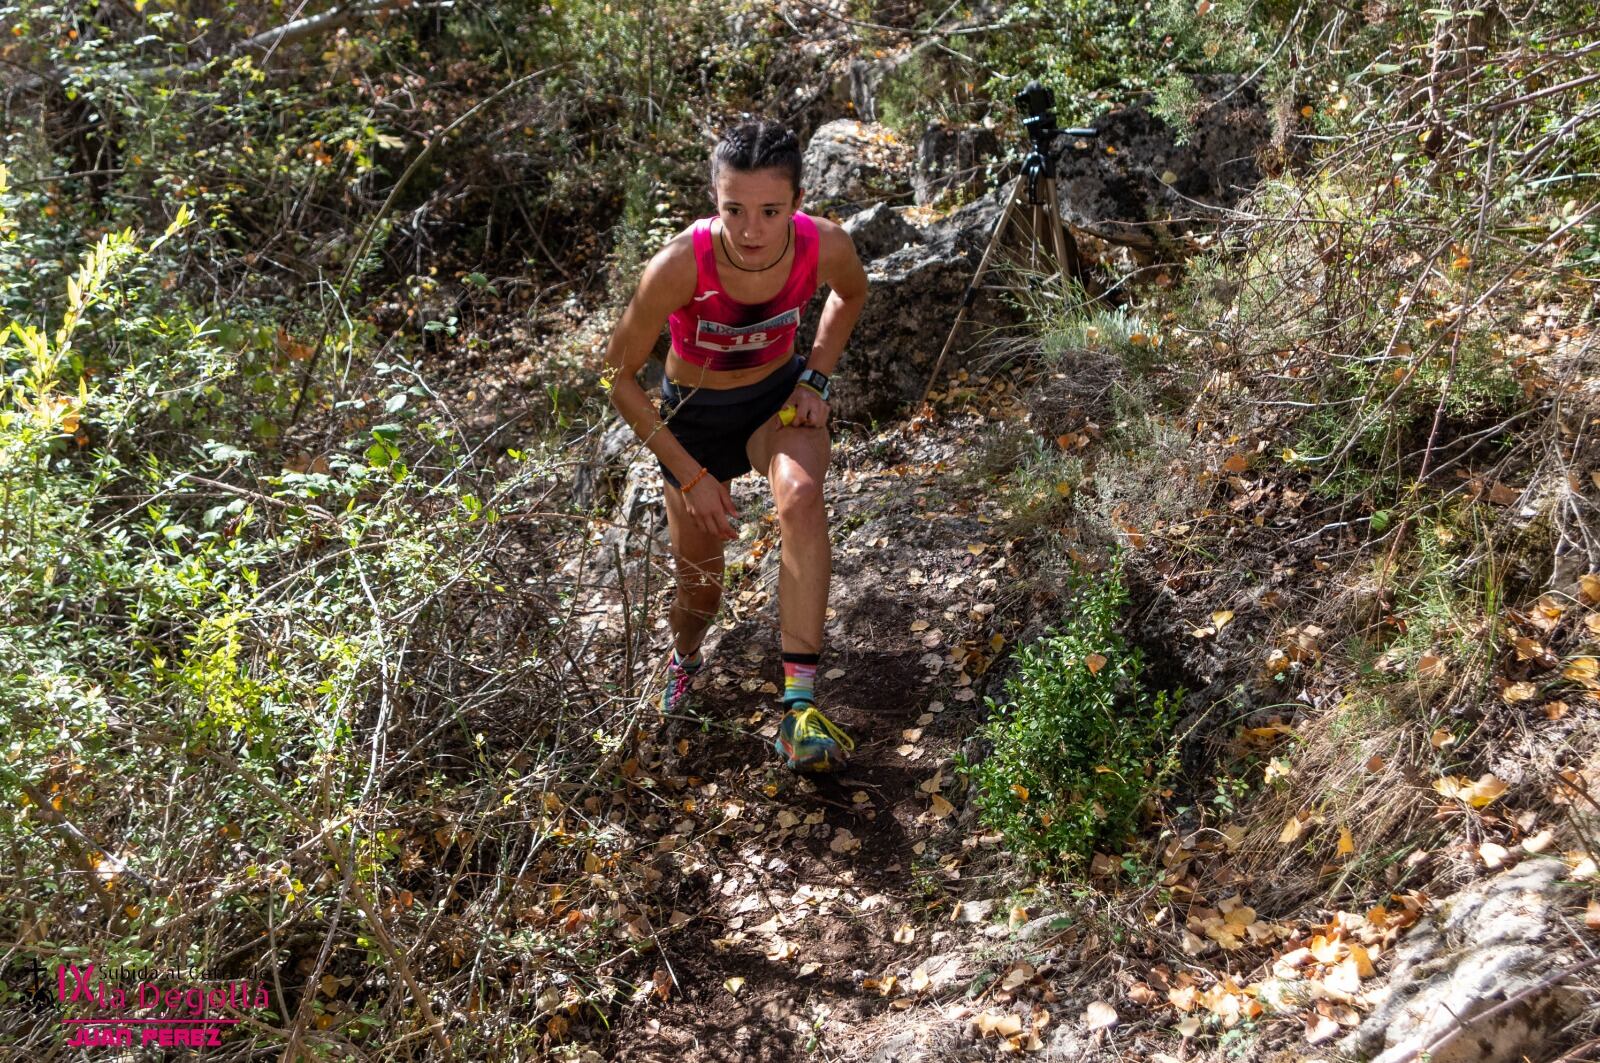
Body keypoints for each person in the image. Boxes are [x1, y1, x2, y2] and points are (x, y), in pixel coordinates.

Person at [603, 120, 869, 772]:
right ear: (713, 199)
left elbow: (852, 291)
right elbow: (616, 376)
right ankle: (685, 659)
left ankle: (799, 707)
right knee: (700, 595)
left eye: (770, 211)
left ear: (797, 204)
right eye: (735, 209)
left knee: (802, 496)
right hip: (692, 425)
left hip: (772, 407)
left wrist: (817, 375)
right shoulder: (677, 266)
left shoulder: (820, 244)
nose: (751, 229)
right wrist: (691, 475)